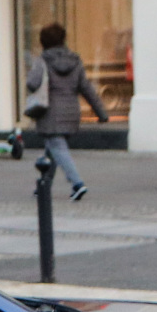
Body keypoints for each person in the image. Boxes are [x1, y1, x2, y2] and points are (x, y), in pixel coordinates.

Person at [25, 23, 108, 203]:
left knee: (58, 148)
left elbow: (32, 83)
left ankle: (77, 184)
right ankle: (43, 186)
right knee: (52, 149)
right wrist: (100, 112)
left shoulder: (42, 61)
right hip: (71, 111)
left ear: (43, 42)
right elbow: (86, 88)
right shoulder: (75, 60)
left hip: (50, 111)